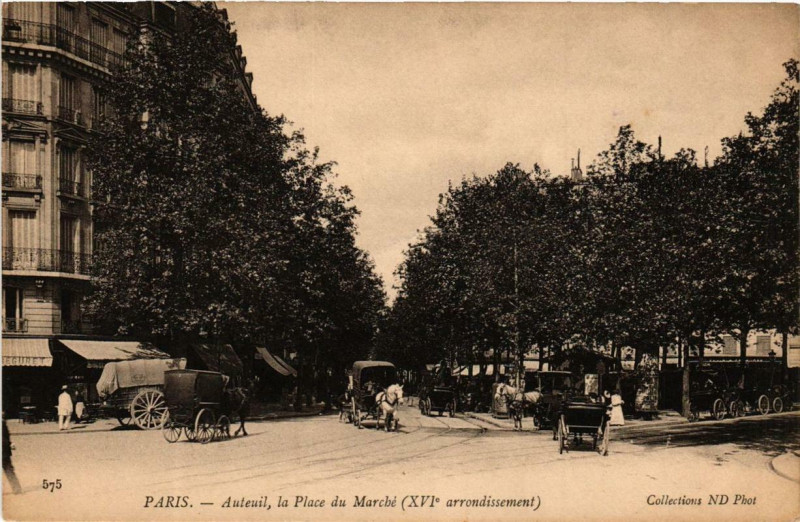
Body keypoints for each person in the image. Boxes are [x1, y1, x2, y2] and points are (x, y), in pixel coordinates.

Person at [3, 414, 22, 494]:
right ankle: (17, 489)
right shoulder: (2, 422)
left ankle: (17, 488)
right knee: (9, 470)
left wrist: (9, 443)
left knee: (9, 469)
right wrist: (10, 443)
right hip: (4, 449)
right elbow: (5, 436)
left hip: (4, 449)